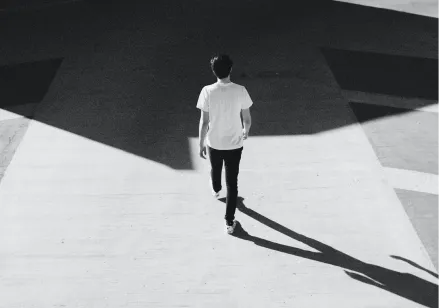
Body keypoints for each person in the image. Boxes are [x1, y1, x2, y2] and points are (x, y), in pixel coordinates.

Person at [196, 54, 253, 234]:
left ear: (214, 72)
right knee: (233, 183)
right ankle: (229, 222)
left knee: (215, 168)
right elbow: (247, 119)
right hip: (235, 143)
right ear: (230, 69)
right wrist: (246, 131)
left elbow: (204, 122)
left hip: (214, 142)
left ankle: (215, 188)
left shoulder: (207, 91)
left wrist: (200, 144)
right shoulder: (240, 90)